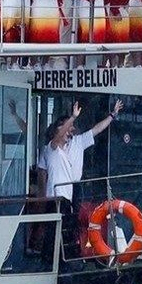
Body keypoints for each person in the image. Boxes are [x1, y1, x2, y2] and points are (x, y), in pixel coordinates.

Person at [36, 99, 123, 256]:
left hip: (71, 189)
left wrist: (112, 115)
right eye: (66, 128)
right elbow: (43, 168)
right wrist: (73, 117)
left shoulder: (76, 142)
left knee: (70, 224)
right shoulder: (52, 147)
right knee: (55, 228)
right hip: (57, 194)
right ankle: (52, 258)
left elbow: (96, 130)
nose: (70, 130)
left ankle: (67, 256)